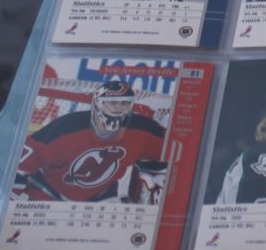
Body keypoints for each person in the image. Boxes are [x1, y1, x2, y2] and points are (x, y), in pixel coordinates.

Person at [15, 78, 167, 203]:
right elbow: (16, 165)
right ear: (97, 104)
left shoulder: (143, 130)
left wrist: (155, 175)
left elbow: (168, 155)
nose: (119, 108)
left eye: (124, 103)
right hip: (48, 192)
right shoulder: (65, 128)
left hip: (101, 197)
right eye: (113, 102)